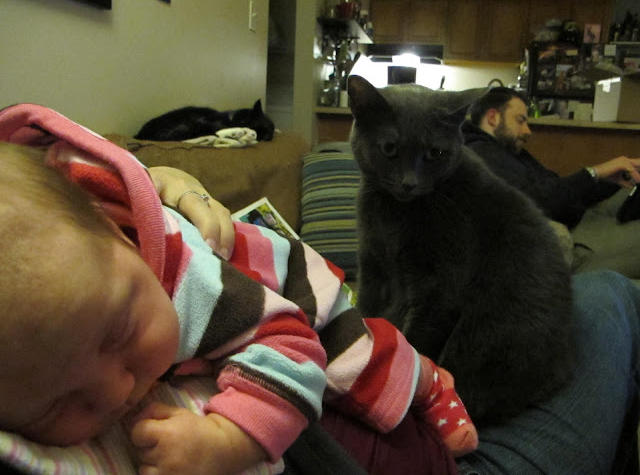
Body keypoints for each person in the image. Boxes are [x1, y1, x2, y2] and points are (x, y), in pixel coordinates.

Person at [0, 104, 477, 475]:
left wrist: (228, 438)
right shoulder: (92, 279)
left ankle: (429, 381)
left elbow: (294, 348)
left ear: (122, 238)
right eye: (60, 403)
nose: (118, 390)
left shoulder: (194, 287)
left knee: (359, 363)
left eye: (118, 333)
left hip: (289, 281)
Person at [462, 87, 640, 279]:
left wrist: (610, 179)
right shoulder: (482, 156)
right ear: (493, 118)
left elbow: (558, 189)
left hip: (579, 218)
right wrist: (594, 172)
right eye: (520, 121)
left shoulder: (507, 152)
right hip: (574, 239)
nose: (527, 131)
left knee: (625, 193)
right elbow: (540, 203)